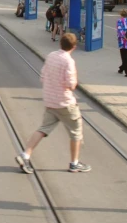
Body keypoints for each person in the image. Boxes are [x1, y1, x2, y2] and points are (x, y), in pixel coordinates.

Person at [16, 33, 91, 174]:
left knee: (43, 129)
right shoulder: (68, 61)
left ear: (60, 44)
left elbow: (43, 76)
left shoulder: (51, 56)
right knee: (76, 132)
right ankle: (74, 163)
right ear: (74, 47)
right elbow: (71, 84)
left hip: (50, 101)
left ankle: (25, 155)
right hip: (65, 103)